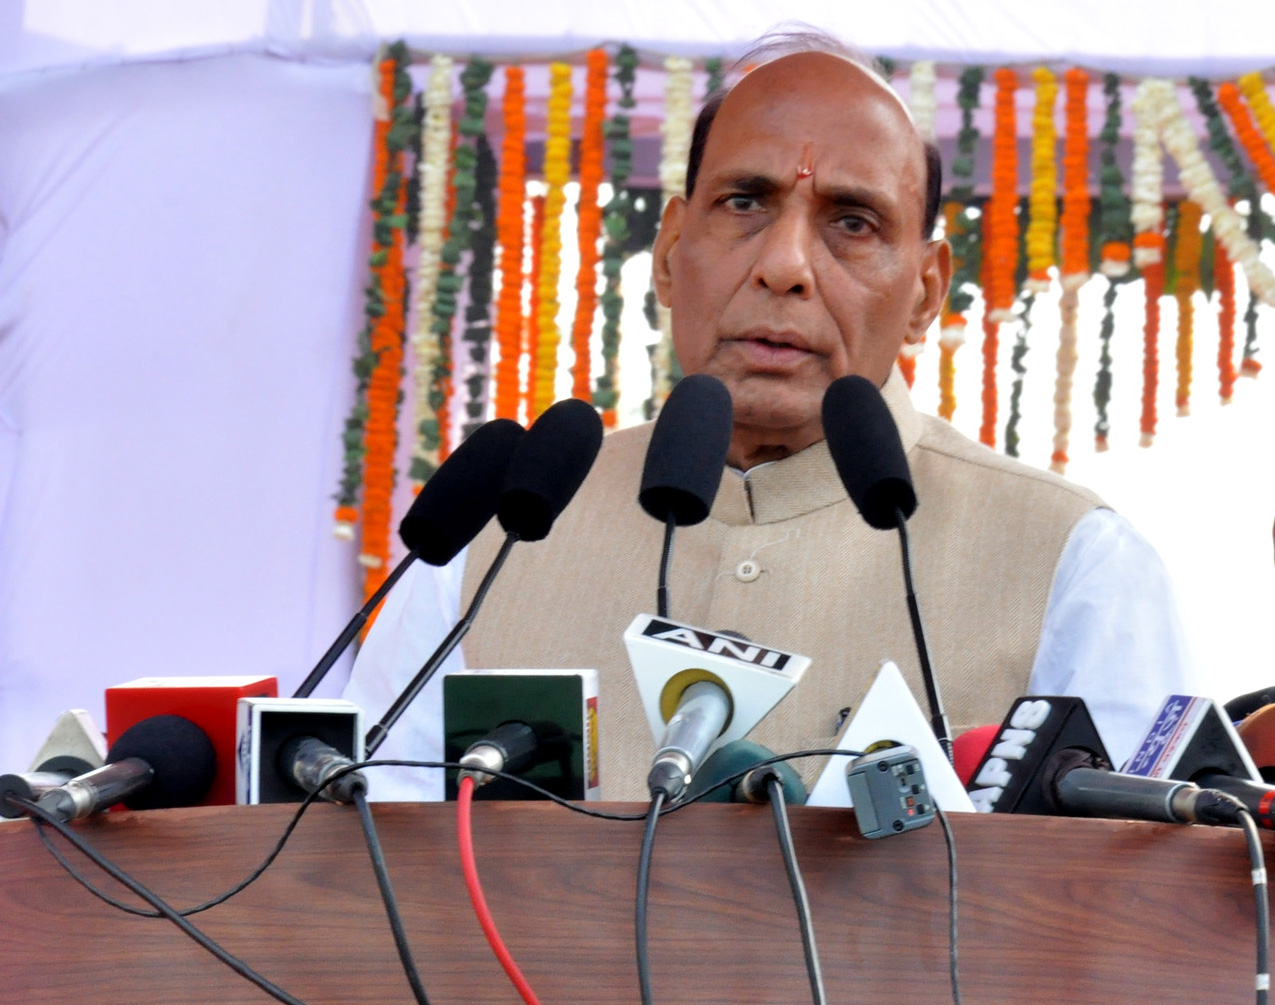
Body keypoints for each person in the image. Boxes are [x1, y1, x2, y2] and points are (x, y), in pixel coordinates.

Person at [345, 32, 1196, 801]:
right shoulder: (498, 540)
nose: (785, 266)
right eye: (744, 204)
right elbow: (357, 858)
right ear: (673, 254)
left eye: (852, 223)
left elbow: (1129, 910)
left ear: (925, 292)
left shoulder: (1069, 560)